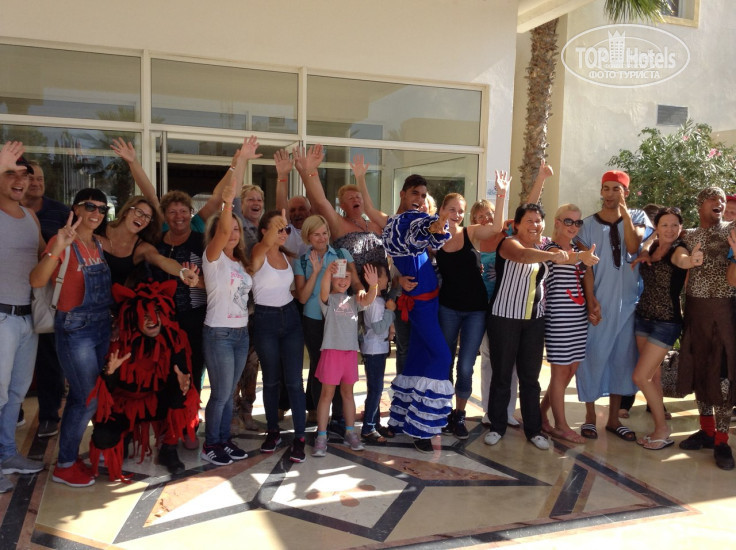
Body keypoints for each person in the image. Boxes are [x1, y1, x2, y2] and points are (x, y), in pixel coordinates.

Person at [30, 187, 113, 488]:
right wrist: (58, 246)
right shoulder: (62, 240)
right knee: (86, 398)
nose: (96, 213)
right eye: (90, 206)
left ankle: (77, 455)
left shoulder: (98, 244)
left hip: (101, 326)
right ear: (75, 209)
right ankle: (65, 464)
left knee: (89, 395)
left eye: (102, 209)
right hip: (75, 329)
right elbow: (37, 280)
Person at [86, 280, 197, 479]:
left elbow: (182, 372)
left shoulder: (174, 338)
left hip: (155, 401)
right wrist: (109, 373)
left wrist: (184, 383)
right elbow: (104, 393)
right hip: (124, 404)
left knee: (184, 397)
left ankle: (168, 448)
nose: (152, 320)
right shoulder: (118, 341)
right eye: (144, 315)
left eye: (156, 313)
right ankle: (125, 436)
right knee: (103, 438)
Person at [484, 203, 571, 450]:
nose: (535, 225)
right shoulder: (508, 243)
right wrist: (553, 256)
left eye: (538, 220)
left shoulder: (545, 246)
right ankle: (497, 426)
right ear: (518, 224)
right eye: (529, 221)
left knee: (530, 378)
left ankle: (534, 430)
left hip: (534, 320)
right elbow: (523, 256)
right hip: (504, 318)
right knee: (502, 375)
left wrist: (582, 257)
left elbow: (566, 257)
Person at [576, 170, 652, 442]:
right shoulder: (586, 225)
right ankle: (589, 417)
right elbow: (586, 268)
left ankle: (613, 420)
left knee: (622, 359)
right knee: (592, 356)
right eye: (606, 188)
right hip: (599, 304)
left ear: (625, 193)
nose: (610, 194)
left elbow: (632, 246)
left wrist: (625, 214)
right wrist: (591, 300)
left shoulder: (639, 218)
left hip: (628, 304)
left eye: (616, 189)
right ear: (601, 191)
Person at [380, 175, 454, 452]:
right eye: (415, 193)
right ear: (403, 194)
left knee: (417, 358)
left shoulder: (411, 226)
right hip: (420, 305)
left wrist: (439, 221)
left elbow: (432, 231)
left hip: (428, 304)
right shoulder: (406, 223)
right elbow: (429, 226)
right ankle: (421, 427)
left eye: (424, 195)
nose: (420, 200)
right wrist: (439, 220)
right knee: (442, 357)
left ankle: (400, 420)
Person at [435, 182, 506, 439]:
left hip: (476, 310)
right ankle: (443, 411)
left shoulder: (471, 232)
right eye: (451, 209)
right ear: (442, 210)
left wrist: (501, 194)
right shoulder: (433, 237)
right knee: (445, 362)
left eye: (460, 210)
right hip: (447, 308)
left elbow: (496, 227)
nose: (456, 214)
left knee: (465, 366)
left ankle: (460, 414)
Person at [673, 187, 736, 470]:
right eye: (713, 198)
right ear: (700, 204)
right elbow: (675, 254)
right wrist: (684, 259)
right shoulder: (688, 235)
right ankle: (707, 430)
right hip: (695, 312)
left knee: (722, 375)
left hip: (724, 311)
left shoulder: (732, 231)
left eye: (721, 199)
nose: (719, 202)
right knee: (699, 369)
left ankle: (722, 440)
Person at [0, 142, 45, 494]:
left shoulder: (30, 217)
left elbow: (45, 257)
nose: (19, 180)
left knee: (16, 393)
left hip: (28, 318)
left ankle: (7, 454)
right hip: (1, 317)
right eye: (8, 173)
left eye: (23, 174)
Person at [199, 176, 252, 466]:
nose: (232, 233)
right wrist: (228, 203)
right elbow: (222, 231)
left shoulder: (239, 261)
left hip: (241, 334)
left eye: (236, 229)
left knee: (229, 393)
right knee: (220, 394)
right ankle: (211, 443)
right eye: (227, 228)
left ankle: (223, 440)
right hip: (219, 333)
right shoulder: (213, 257)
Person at [631, 207, 690, 450]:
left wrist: (691, 261)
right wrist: (646, 248)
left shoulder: (679, 250)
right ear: (657, 228)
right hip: (643, 318)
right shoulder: (653, 246)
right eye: (664, 224)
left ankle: (663, 431)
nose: (670, 229)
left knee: (640, 377)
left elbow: (683, 261)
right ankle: (658, 426)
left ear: (680, 228)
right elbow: (646, 248)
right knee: (653, 377)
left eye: (675, 225)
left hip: (666, 322)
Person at [539, 205, 599, 444]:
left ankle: (541, 414)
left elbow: (583, 278)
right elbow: (562, 258)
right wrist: (582, 257)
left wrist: (592, 304)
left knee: (570, 370)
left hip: (577, 317)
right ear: (557, 222)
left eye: (577, 222)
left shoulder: (576, 249)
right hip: (558, 317)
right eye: (568, 221)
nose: (573, 226)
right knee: (560, 371)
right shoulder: (549, 248)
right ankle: (561, 426)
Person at [250, 210, 307, 462]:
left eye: (285, 229)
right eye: (277, 228)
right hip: (265, 320)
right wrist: (273, 231)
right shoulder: (257, 251)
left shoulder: (286, 255)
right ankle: (272, 430)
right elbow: (262, 249)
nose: (283, 233)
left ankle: (300, 437)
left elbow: (289, 289)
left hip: (290, 317)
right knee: (271, 380)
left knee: (294, 381)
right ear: (264, 231)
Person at [21, 160, 69, 438]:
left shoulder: (60, 212)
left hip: (48, 296)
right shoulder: (7, 211)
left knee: (50, 360)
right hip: (13, 295)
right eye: (31, 178)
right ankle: (14, 412)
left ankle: (49, 416)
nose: (37, 183)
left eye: (40, 179)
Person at [293, 215, 357, 424]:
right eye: (316, 234)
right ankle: (316, 413)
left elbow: (354, 283)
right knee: (319, 367)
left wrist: (365, 294)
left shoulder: (341, 254)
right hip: (313, 319)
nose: (322, 238)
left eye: (324, 233)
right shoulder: (302, 261)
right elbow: (302, 297)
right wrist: (316, 272)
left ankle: (338, 417)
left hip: (339, 319)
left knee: (339, 368)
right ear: (307, 237)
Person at [312, 262, 379, 456]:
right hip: (331, 352)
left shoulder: (354, 300)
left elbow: (368, 300)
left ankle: (350, 432)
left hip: (349, 353)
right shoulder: (328, 299)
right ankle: (321, 436)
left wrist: (373, 285)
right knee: (327, 394)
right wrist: (327, 272)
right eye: (339, 276)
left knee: (348, 394)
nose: (343, 281)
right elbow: (324, 288)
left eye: (347, 277)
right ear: (332, 278)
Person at [294, 147, 386, 276]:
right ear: (342, 206)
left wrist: (360, 177)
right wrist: (311, 171)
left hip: (381, 286)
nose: (356, 200)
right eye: (351, 198)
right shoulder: (338, 223)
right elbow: (320, 200)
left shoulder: (375, 224)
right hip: (349, 285)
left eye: (358, 197)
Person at [358, 262, 396, 443]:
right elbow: (379, 328)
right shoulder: (373, 302)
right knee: (375, 389)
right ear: (376, 279)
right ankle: (368, 428)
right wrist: (390, 311)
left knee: (376, 389)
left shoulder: (379, 299)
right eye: (385, 276)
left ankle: (375, 423)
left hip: (378, 349)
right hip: (373, 350)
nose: (388, 279)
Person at [274, 148, 311, 258]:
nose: (297, 213)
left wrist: (304, 172)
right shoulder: (286, 231)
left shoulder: (318, 229)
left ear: (310, 211)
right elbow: (281, 206)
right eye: (292, 210)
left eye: (302, 208)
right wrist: (282, 175)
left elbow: (317, 200)